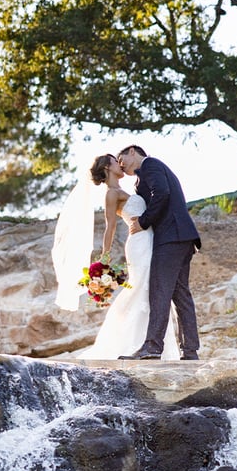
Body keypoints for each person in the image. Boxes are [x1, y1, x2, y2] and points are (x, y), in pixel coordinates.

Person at [52, 154, 179, 360]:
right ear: (107, 168)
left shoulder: (125, 190)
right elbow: (110, 227)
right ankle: (129, 342)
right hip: (139, 244)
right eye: (115, 161)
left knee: (151, 290)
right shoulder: (111, 194)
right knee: (142, 288)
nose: (120, 164)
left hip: (149, 241)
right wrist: (105, 255)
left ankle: (151, 344)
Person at [115, 145, 201, 360]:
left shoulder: (150, 165)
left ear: (133, 151)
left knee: (160, 291)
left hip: (171, 237)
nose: (121, 164)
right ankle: (190, 351)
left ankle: (153, 347)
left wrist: (143, 222)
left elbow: (161, 193)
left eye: (121, 158)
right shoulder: (144, 175)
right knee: (181, 295)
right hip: (182, 236)